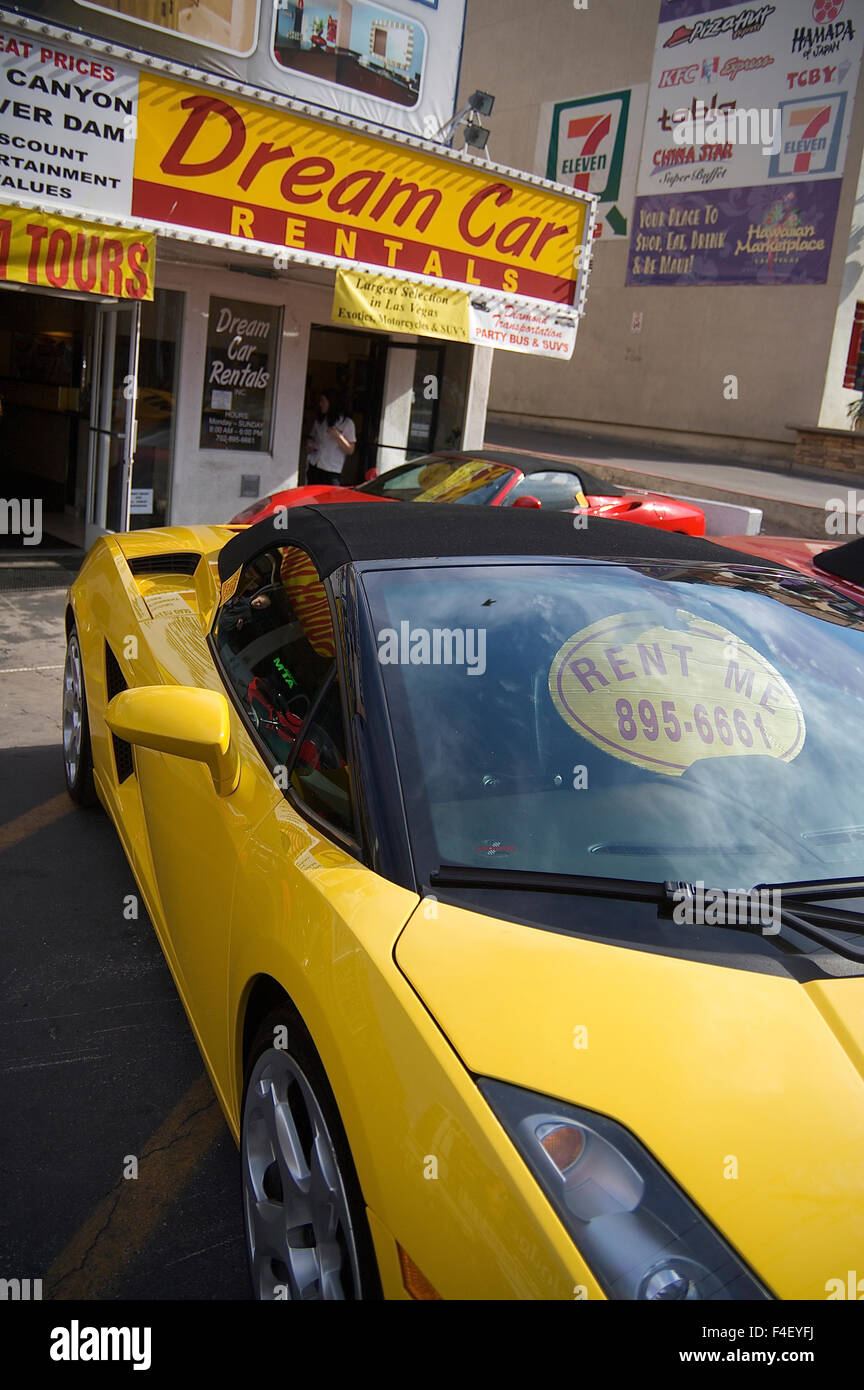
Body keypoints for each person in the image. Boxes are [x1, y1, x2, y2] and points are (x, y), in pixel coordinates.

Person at [305, 390, 356, 486]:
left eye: (323, 401)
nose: (320, 404)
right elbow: (313, 438)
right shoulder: (320, 420)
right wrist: (310, 444)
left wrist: (338, 437)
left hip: (331, 470)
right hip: (315, 464)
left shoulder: (347, 423)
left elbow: (350, 450)